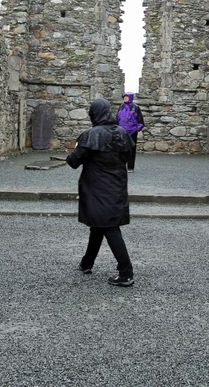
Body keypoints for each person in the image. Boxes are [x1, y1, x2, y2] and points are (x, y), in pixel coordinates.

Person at [66, 97, 135, 287]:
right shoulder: (122, 133)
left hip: (96, 188)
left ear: (93, 114)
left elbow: (73, 161)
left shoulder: (90, 135)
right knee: (99, 224)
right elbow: (128, 158)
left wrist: (77, 148)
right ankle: (87, 263)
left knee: (109, 227)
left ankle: (126, 272)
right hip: (116, 186)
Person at [116, 92, 144, 173]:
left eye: (127, 97)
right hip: (121, 132)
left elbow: (140, 121)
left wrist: (136, 129)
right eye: (124, 97)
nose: (125, 98)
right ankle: (121, 166)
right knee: (121, 149)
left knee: (131, 149)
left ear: (130, 97)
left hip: (132, 132)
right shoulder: (120, 107)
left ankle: (130, 167)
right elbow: (117, 119)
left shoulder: (136, 107)